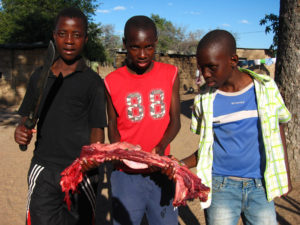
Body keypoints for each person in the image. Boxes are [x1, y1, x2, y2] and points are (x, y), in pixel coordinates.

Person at [179, 29, 292, 225]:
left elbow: (278, 130)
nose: (205, 74)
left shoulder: (266, 90)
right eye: (202, 68)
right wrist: (178, 164)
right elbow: (206, 149)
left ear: (233, 60)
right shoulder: (204, 101)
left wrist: (285, 175)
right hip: (221, 187)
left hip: (260, 187)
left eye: (212, 67)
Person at [14, 7, 107, 225]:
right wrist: (21, 132)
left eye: (76, 35)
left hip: (80, 170)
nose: (69, 40)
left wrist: (90, 161)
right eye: (62, 33)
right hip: (44, 169)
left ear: (85, 38)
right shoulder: (39, 76)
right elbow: (26, 117)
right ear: (54, 35)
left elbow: (97, 129)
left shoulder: (93, 82)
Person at [103, 15, 181, 225]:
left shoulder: (170, 73)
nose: (143, 54)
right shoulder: (111, 81)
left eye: (149, 46)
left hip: (161, 169)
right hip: (125, 174)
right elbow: (112, 123)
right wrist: (120, 149)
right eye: (135, 47)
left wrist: (161, 146)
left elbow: (175, 121)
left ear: (156, 42)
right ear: (124, 44)